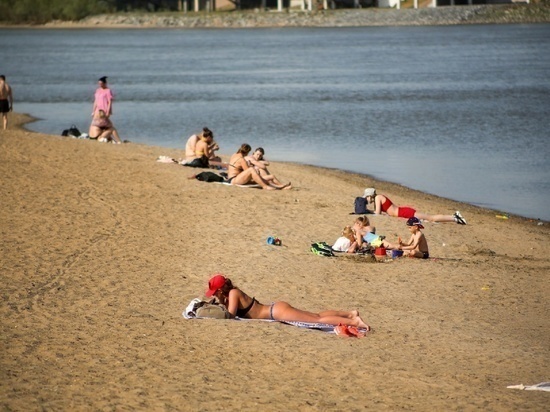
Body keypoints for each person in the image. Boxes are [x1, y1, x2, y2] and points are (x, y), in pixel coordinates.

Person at [204, 274, 370, 330]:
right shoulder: (230, 295)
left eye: (215, 292)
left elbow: (231, 316)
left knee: (317, 320)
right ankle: (350, 313)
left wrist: (216, 305)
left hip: (275, 312)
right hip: (275, 309)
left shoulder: (233, 293)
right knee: (316, 315)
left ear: (220, 290)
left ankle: (353, 321)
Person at [362, 188, 467, 225]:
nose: (366, 199)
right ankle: (455, 218)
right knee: (430, 219)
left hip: (404, 212)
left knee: (431, 218)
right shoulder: (378, 199)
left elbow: (377, 213)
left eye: (366, 197)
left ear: (370, 196)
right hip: (402, 213)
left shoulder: (378, 198)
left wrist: (367, 211)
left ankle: (454, 217)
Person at [89, 76, 121, 140]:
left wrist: (108, 112)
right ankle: (115, 140)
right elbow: (96, 101)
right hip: (98, 111)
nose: (100, 85)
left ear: (104, 83)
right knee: (106, 126)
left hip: (104, 110)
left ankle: (109, 138)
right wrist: (93, 111)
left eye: (101, 83)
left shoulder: (108, 91)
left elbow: (109, 102)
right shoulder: (98, 90)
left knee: (107, 125)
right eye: (99, 83)